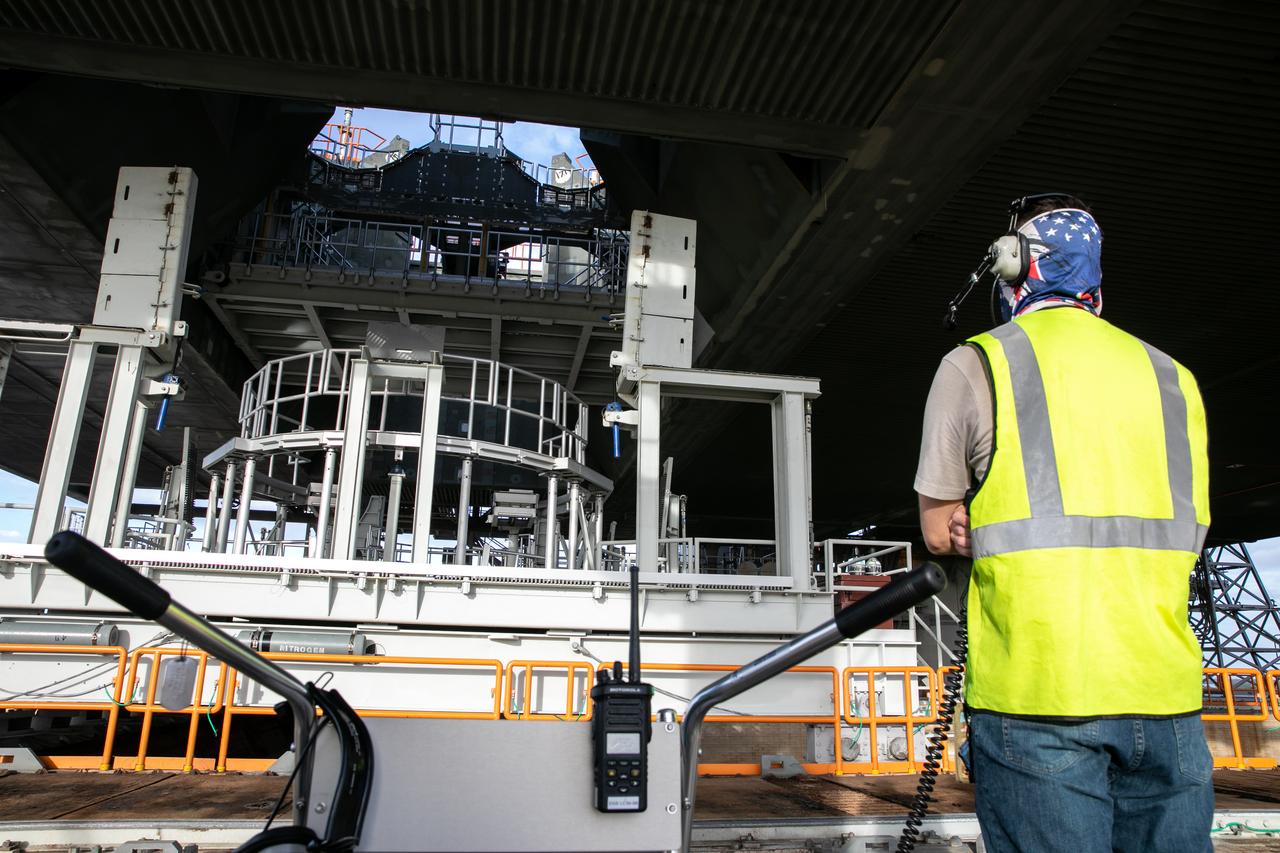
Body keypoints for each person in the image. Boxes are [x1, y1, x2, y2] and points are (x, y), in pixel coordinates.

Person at [914, 194, 1213, 853]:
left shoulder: (977, 363)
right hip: (1166, 696)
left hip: (1037, 695)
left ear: (1014, 267)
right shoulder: (1176, 379)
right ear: (1096, 283)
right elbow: (1185, 528)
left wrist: (980, 515)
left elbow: (940, 531)